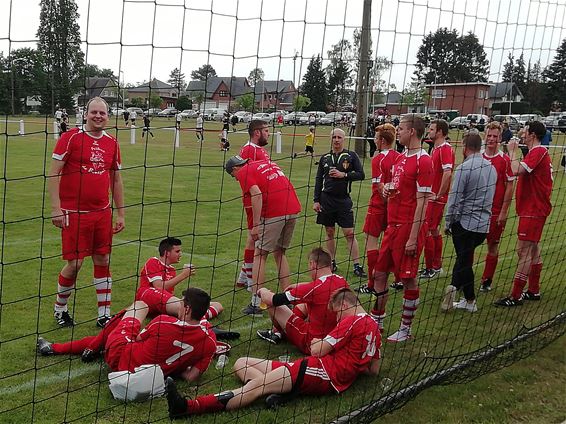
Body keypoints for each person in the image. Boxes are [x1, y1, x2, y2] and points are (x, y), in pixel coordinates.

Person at [165, 287, 381, 419]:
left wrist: (319, 341)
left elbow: (316, 350)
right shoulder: (373, 326)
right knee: (241, 363)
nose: (336, 318)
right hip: (322, 371)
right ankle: (278, 393)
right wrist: (353, 364)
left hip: (321, 372)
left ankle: (189, 407)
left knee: (255, 386)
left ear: (344, 304)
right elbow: (373, 369)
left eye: (337, 313)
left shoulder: (352, 321)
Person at [48, 96, 125, 328]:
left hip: (102, 213)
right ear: (85, 114)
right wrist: (56, 208)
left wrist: (121, 213)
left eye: (102, 113)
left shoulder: (112, 142)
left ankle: (104, 314)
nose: (98, 116)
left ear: (108, 117)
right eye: (94, 112)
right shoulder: (69, 138)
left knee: (103, 259)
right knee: (75, 264)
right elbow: (53, 174)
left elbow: (116, 179)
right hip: (73, 213)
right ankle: (60, 309)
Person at [37, 288, 217, 382]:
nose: (178, 306)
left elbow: (137, 338)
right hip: (149, 376)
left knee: (140, 306)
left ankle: (88, 348)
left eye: (181, 303)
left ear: (187, 308)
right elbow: (191, 377)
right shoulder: (209, 342)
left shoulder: (163, 321)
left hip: (119, 356)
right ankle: (57, 348)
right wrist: (173, 366)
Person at [370, 115, 433, 342]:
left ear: (413, 132)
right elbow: (393, 185)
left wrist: (413, 238)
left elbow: (423, 200)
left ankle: (406, 328)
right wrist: (387, 188)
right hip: (392, 225)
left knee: (407, 278)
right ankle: (378, 321)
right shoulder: (400, 158)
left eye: (402, 128)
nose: (399, 132)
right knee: (379, 273)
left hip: (408, 227)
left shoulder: (424, 161)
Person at [225, 156, 301, 317]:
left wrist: (257, 225)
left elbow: (257, 195)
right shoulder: (265, 163)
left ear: (234, 170)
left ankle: (257, 303)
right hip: (293, 208)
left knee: (260, 255)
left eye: (234, 177)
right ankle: (289, 298)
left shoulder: (243, 172)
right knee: (280, 253)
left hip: (274, 212)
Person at [495, 121, 553, 306]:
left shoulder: (538, 151)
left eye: (525, 131)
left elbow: (515, 169)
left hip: (534, 209)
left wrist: (512, 151)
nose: (522, 134)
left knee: (523, 250)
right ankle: (534, 290)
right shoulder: (536, 152)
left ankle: (516, 295)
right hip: (532, 207)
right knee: (533, 249)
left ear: (533, 135)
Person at [441, 133, 496, 313]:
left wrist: (448, 222)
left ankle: (468, 298)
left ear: (465, 147)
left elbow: (454, 198)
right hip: (483, 224)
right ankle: (457, 291)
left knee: (464, 261)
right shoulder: (491, 168)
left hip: (465, 223)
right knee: (463, 258)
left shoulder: (465, 168)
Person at [255, 247, 349, 353]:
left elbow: (273, 299)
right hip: (335, 339)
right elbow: (322, 287)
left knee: (272, 304)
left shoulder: (312, 289)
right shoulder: (342, 281)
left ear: (312, 264)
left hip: (312, 342)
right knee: (305, 304)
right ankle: (278, 332)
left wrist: (262, 291)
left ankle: (278, 332)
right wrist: (299, 285)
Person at [313, 128, 366, 277]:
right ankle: (332, 263)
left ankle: (357, 265)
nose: (337, 140)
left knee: (349, 233)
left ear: (344, 139)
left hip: (343, 200)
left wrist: (344, 175)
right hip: (326, 200)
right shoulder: (324, 158)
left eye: (339, 137)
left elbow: (361, 174)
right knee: (329, 232)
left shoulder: (351, 156)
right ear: (331, 139)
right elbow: (318, 180)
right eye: (334, 137)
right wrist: (316, 200)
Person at [358, 123, 401, 295]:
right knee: (393, 243)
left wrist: (385, 199)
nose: (375, 141)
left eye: (376, 138)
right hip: (395, 206)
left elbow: (378, 186)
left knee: (371, 242)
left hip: (378, 205)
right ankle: (398, 279)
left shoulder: (378, 159)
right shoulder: (399, 156)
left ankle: (371, 283)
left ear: (382, 140)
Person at [479, 122, 515, 292]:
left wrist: (504, 211)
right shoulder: (477, 157)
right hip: (476, 211)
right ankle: (464, 280)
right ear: (485, 136)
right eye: (489, 135)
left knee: (492, 244)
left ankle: (487, 280)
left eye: (495, 136)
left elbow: (509, 185)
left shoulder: (505, 160)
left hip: (495, 212)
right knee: (468, 245)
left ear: (500, 138)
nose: (492, 139)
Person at [236, 120, 272, 290]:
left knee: (255, 238)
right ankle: (251, 281)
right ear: (257, 132)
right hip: (253, 200)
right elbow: (246, 176)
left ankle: (243, 277)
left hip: (261, 199)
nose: (268, 133)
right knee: (253, 238)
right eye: (266, 130)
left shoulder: (259, 150)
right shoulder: (250, 150)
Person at [420, 120, 455, 279]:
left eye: (432, 129)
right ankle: (436, 265)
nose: (429, 131)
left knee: (427, 229)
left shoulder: (445, 149)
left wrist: (439, 194)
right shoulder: (436, 148)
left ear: (440, 132)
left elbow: (448, 173)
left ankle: (430, 268)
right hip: (433, 196)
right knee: (434, 229)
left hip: (436, 198)